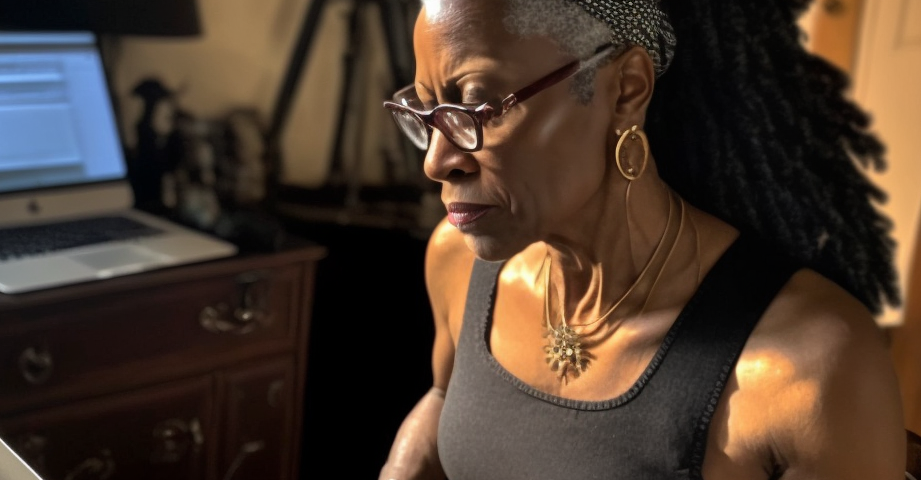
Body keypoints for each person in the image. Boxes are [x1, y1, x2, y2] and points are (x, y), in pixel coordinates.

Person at [377, 0, 907, 478]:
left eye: (476, 106)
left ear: (627, 88)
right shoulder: (457, 260)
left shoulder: (806, 373)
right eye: (424, 111)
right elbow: (445, 402)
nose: (435, 161)